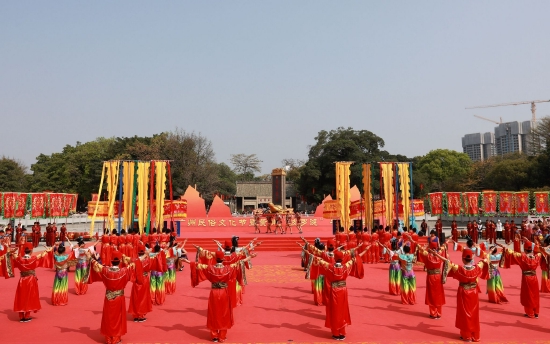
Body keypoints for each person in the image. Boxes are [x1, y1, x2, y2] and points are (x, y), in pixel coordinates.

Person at [184, 250, 250, 343]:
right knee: (224, 313)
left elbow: (197, 265)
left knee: (213, 313)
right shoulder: (228, 268)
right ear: (223, 259)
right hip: (224, 293)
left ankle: (214, 336)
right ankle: (222, 336)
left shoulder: (210, 268)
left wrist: (187, 262)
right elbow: (239, 263)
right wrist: (249, 257)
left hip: (214, 293)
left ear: (215, 259)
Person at [306, 248, 365, 340]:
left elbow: (319, 260)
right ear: (342, 258)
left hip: (334, 290)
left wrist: (310, 254)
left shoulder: (330, 267)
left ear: (334, 258)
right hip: (343, 290)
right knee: (342, 310)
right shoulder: (346, 266)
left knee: (334, 311)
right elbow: (354, 259)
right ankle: (342, 332)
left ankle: (336, 333)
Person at [434, 248, 488, 342]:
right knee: (474, 314)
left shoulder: (459, 268)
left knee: (464, 314)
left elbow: (447, 261)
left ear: (463, 259)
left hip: (463, 292)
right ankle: (475, 336)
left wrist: (436, 254)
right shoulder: (477, 267)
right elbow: (485, 259)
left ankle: (466, 336)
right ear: (471, 259)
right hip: (474, 293)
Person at [90, 249, 140, 344]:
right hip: (119, 298)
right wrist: (127, 259)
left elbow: (96, 264)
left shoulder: (105, 270)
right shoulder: (124, 271)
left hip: (108, 297)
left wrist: (90, 259)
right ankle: (116, 339)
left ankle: (109, 338)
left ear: (111, 261)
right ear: (120, 261)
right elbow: (136, 262)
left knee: (109, 318)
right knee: (118, 318)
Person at [502, 239, 546, 318]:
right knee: (535, 295)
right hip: (534, 278)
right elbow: (541, 251)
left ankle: (529, 312)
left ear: (525, 249)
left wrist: (505, 248)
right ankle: (536, 312)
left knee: (528, 295)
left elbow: (511, 253)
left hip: (526, 278)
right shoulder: (537, 257)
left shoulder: (522, 257)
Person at [11, 242, 53, 322]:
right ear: (31, 251)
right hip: (31, 280)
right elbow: (42, 255)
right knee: (30, 296)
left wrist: (11, 251)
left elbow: (13, 256)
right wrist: (48, 251)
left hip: (22, 280)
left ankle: (21, 316)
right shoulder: (33, 258)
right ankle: (27, 315)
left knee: (21, 297)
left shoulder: (19, 259)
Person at [418, 240, 447, 318]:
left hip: (431, 276)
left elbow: (420, 248)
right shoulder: (439, 254)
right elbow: (443, 247)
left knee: (431, 294)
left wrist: (412, 241)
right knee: (439, 294)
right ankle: (439, 313)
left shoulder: (427, 255)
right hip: (438, 276)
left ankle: (433, 313)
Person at [128, 242, 153, 322]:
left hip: (136, 281)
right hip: (144, 280)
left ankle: (135, 315)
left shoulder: (134, 260)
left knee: (136, 297)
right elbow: (150, 268)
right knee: (143, 297)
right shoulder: (147, 260)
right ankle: (141, 315)